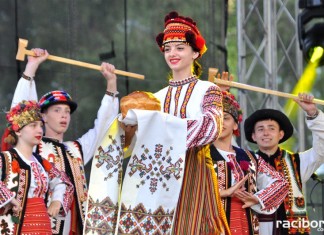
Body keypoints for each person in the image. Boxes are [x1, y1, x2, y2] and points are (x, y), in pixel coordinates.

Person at [84, 11, 230, 235]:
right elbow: (133, 146)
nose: (172, 53)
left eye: (180, 47)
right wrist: (128, 130)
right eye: (168, 48)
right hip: (156, 181)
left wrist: (161, 125)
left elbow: (212, 127)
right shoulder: (155, 98)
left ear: (195, 52)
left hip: (194, 176)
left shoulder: (207, 89)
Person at [7, 49, 119, 234]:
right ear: (42, 115)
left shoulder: (76, 149)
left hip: (73, 227)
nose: (64, 116)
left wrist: (111, 84)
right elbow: (20, 111)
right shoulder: (33, 147)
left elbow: (103, 128)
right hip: (39, 226)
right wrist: (32, 67)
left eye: (67, 112)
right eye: (57, 110)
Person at [210, 90, 289, 235]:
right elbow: (184, 189)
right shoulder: (200, 156)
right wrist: (222, 193)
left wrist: (257, 198)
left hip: (245, 224)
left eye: (226, 118)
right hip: (212, 224)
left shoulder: (251, 157)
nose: (220, 122)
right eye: (216, 118)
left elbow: (281, 183)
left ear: (235, 125)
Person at [244, 93, 324, 234]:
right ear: (253, 136)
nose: (266, 133)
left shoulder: (297, 162)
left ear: (281, 135)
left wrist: (312, 113)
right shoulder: (244, 163)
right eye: (260, 129)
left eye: (271, 128)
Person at [0, 100, 74, 235]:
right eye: (33, 125)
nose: (39, 130)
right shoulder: (5, 159)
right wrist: (8, 197)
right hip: (14, 226)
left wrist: (57, 200)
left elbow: (65, 182)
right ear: (18, 131)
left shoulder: (41, 162)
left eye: (41, 125)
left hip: (42, 225)